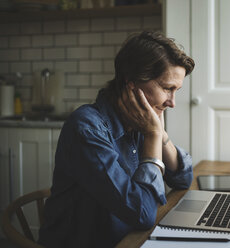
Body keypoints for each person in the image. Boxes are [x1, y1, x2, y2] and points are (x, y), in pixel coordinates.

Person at [38, 31, 195, 248]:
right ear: (132, 82)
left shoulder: (141, 122)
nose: (172, 103)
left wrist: (161, 134)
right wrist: (152, 135)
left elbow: (183, 178)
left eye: (176, 90)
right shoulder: (86, 128)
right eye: (167, 88)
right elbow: (143, 214)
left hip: (128, 239)